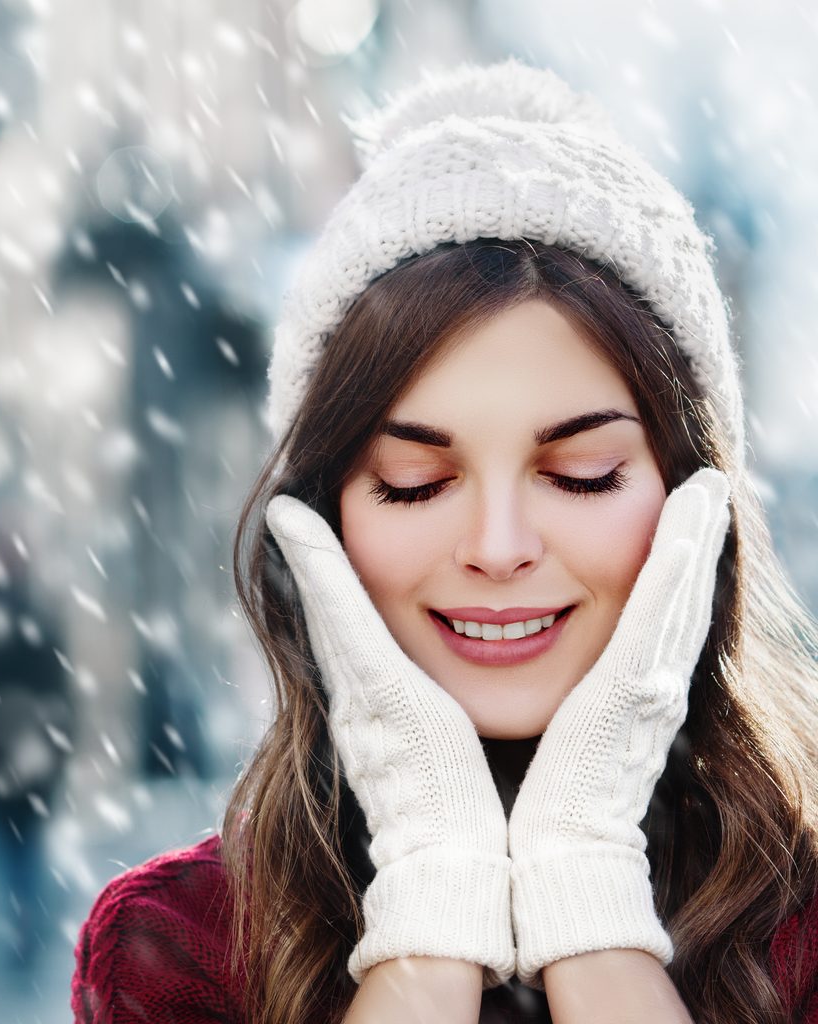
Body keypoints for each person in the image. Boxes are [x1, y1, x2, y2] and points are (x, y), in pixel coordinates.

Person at [70, 60, 818, 1023]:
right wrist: (432, 894)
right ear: (320, 523)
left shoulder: (801, 930)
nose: (498, 548)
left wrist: (586, 879)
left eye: (582, 473)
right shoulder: (179, 948)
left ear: (692, 508)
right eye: (414, 481)